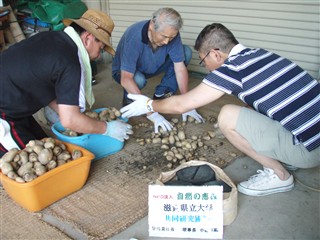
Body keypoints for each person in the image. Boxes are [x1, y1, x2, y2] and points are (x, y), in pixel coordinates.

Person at [120, 23, 320, 196]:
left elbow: (180, 104)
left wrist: (149, 105)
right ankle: (286, 153)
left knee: (227, 116)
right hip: (314, 134)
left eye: (204, 59)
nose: (206, 67)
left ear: (216, 53)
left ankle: (280, 175)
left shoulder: (233, 68)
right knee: (250, 109)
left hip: (310, 151)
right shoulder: (261, 54)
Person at [0, 9, 132, 157]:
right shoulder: (71, 62)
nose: (98, 55)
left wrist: (69, 113)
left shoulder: (52, 38)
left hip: (13, 99)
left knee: (44, 145)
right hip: (4, 111)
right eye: (100, 49)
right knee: (28, 163)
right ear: (87, 38)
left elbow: (43, 84)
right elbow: (69, 120)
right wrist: (106, 128)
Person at [112, 7, 204, 133]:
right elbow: (126, 78)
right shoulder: (134, 35)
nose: (167, 41)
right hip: (127, 72)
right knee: (138, 79)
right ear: (152, 25)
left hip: (153, 65)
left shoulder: (171, 33)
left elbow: (180, 68)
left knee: (185, 52)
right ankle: (130, 101)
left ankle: (162, 93)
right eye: (164, 36)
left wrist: (186, 103)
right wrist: (150, 112)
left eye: (171, 38)